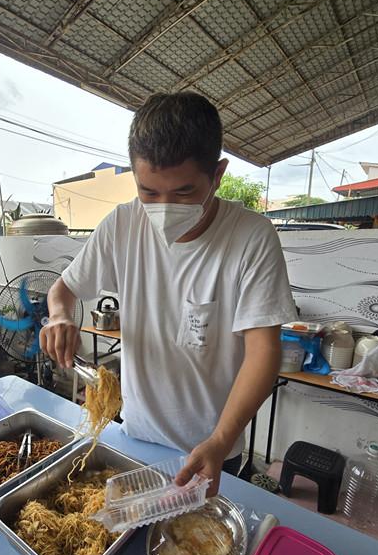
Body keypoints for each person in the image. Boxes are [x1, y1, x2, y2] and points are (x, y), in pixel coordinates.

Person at [40, 92, 296, 495]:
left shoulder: (251, 236)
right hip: (136, 435)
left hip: (213, 448)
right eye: (148, 191)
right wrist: (60, 316)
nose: (163, 207)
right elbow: (64, 289)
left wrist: (220, 440)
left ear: (217, 175)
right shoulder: (122, 224)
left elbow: (263, 352)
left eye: (183, 192)